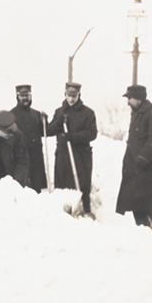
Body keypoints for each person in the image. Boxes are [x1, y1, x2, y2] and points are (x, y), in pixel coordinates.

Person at [115, 85, 152, 229]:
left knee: (146, 198)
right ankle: (142, 227)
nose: (128, 102)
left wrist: (143, 158)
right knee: (133, 198)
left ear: (139, 99)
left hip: (149, 166)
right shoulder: (137, 113)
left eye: (130, 98)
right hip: (134, 164)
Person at [47, 82, 98, 216]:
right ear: (65, 94)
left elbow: (92, 133)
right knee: (62, 184)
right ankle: (62, 212)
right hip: (63, 155)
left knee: (82, 185)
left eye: (74, 96)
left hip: (81, 155)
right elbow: (49, 131)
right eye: (69, 95)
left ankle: (84, 211)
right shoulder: (59, 112)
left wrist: (72, 137)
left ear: (79, 95)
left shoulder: (88, 113)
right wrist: (55, 122)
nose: (71, 99)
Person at [10, 84, 48, 193]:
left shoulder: (37, 114)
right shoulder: (11, 114)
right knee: (21, 188)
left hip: (36, 158)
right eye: (22, 96)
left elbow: (45, 132)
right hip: (20, 159)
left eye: (27, 95)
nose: (25, 98)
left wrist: (45, 121)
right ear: (17, 97)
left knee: (36, 188)